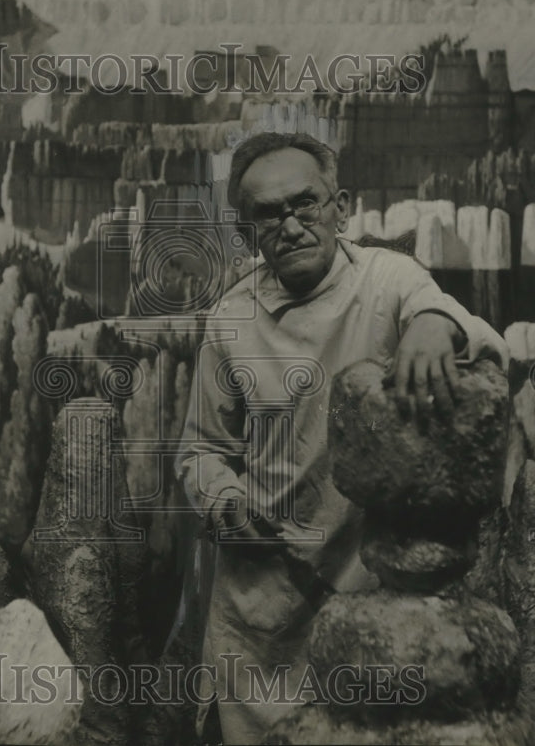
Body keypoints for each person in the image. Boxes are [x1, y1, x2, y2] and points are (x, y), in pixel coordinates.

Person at [176, 131, 508, 743]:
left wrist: (435, 324)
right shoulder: (230, 321)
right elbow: (199, 452)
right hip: (263, 606)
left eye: (306, 203)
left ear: (341, 207)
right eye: (267, 215)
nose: (291, 225)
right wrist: (222, 500)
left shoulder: (389, 279)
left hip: (369, 591)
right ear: (247, 234)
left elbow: (468, 328)